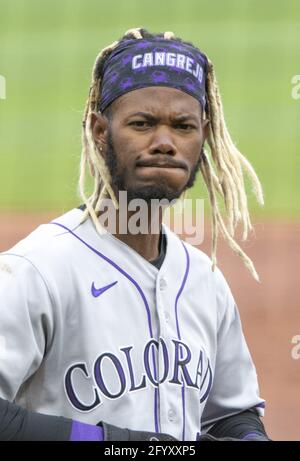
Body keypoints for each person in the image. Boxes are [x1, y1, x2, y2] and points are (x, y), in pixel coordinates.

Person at [0, 28, 269, 441]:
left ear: (204, 136)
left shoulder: (205, 280)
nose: (165, 143)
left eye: (183, 126)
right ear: (100, 130)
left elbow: (231, 415)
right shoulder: (37, 271)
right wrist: (114, 443)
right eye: (142, 124)